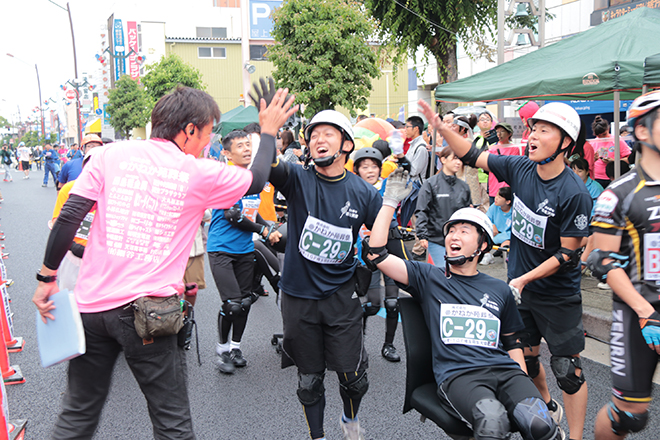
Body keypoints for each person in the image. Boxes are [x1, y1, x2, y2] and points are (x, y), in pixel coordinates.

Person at [32, 84, 297, 439]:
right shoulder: (198, 172)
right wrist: (266, 132)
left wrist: (46, 278)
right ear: (189, 130)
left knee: (78, 413)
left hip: (91, 308)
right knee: (171, 422)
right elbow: (257, 179)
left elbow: (70, 216)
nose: (207, 143)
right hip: (149, 314)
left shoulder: (111, 156)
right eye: (206, 134)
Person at [420, 99, 593, 440]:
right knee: (526, 363)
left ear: (565, 144)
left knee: (567, 370)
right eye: (533, 129)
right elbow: (472, 154)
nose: (532, 136)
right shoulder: (520, 168)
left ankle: (574, 436)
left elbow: (569, 254)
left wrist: (525, 278)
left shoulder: (574, 194)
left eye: (544, 131)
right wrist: (442, 130)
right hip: (521, 290)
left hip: (556, 294)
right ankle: (546, 404)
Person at [364, 184, 564, 440]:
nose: (453, 237)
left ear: (482, 246)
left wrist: (522, 382)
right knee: (493, 422)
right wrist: (390, 202)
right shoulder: (428, 277)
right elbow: (376, 253)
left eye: (464, 231)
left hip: (506, 371)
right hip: (460, 375)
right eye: (451, 232)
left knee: (540, 424)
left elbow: (513, 341)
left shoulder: (498, 289)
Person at [266, 109, 407, 440]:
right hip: (299, 298)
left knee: (354, 378)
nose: (319, 140)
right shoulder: (297, 178)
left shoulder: (362, 192)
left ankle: (349, 420)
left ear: (346, 144)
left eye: (328, 134)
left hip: (342, 297)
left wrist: (388, 204)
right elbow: (268, 168)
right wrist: (268, 131)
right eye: (314, 135)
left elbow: (378, 243)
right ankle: (318, 436)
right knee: (309, 381)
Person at [588, 90, 660, 440]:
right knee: (631, 417)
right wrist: (646, 311)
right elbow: (602, 261)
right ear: (643, 132)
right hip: (640, 314)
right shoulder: (618, 193)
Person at [207, 129, 282, 374]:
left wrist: (268, 225)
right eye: (240, 146)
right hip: (221, 250)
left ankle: (236, 347)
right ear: (227, 153)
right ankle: (222, 351)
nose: (247, 149)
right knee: (232, 304)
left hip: (244, 249)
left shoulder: (252, 179)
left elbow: (251, 210)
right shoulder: (226, 177)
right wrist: (262, 230)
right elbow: (233, 217)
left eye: (248, 144)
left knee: (246, 301)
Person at [352, 147, 401, 362]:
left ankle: (388, 345)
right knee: (370, 305)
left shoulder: (388, 189)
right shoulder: (353, 190)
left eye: (374, 166)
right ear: (357, 170)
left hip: (388, 253)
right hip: (366, 257)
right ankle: (358, 345)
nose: (370, 170)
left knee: (393, 303)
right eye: (365, 167)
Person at [415, 146, 471, 266]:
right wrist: (422, 235)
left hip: (459, 239)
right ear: (443, 159)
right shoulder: (431, 184)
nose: (458, 162)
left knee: (457, 273)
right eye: (454, 158)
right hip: (436, 239)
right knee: (443, 272)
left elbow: (467, 213)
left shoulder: (463, 186)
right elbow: (422, 210)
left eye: (460, 159)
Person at [592, 115, 631, 189]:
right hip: (597, 178)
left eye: (604, 134)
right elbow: (587, 163)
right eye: (599, 136)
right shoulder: (593, 142)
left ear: (608, 129)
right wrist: (593, 159)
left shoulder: (617, 140)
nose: (602, 138)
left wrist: (614, 161)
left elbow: (629, 159)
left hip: (614, 176)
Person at [485, 186, 513, 262]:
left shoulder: (514, 211)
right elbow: (486, 218)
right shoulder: (494, 207)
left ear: (508, 201)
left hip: (508, 235)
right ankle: (487, 254)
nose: (496, 198)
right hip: (495, 233)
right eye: (496, 195)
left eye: (500, 197)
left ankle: (504, 252)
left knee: (507, 242)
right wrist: (492, 225)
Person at [403, 115, 428, 183]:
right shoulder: (413, 144)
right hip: (409, 184)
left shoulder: (421, 148)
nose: (405, 129)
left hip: (416, 187)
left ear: (416, 129)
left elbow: (413, 171)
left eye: (407, 127)